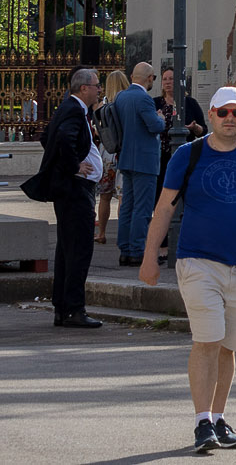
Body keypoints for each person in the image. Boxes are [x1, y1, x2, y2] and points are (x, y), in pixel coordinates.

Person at [139, 85, 236, 455]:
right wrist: (149, 257)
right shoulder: (188, 154)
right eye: (222, 112)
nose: (229, 119)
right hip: (198, 262)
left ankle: (219, 417)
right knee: (207, 340)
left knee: (228, 347)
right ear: (210, 115)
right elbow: (164, 209)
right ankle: (202, 421)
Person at [44, 68, 104, 328]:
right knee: (78, 249)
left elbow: (48, 137)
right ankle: (74, 309)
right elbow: (61, 138)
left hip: (71, 189)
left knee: (67, 250)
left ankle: (63, 308)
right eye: (96, 85)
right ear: (83, 88)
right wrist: (75, 165)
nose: (99, 89)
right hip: (75, 190)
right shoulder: (74, 109)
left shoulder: (72, 108)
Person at [111, 62, 167, 267]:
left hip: (126, 158)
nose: (154, 81)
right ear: (149, 78)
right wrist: (161, 118)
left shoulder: (122, 97)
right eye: (153, 78)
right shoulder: (144, 99)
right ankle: (137, 250)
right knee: (143, 208)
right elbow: (154, 126)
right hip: (144, 161)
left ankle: (125, 250)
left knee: (127, 206)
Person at [93, 68, 128, 244]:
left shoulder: (102, 105)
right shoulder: (127, 103)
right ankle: (123, 235)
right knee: (123, 196)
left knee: (105, 196)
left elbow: (97, 131)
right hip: (124, 151)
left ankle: (102, 232)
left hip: (107, 152)